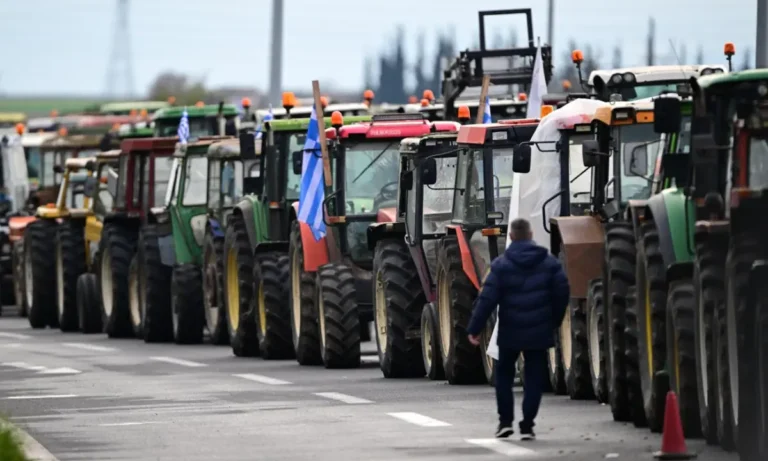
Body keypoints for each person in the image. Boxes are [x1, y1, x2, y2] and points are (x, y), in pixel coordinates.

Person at [466, 218, 570, 440]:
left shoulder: (502, 265)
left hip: (510, 332)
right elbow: (563, 292)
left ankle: (505, 422)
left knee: (503, 376)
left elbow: (487, 299)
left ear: (511, 237)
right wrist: (554, 322)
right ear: (531, 235)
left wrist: (475, 328)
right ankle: (527, 425)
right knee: (534, 379)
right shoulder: (549, 263)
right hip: (539, 332)